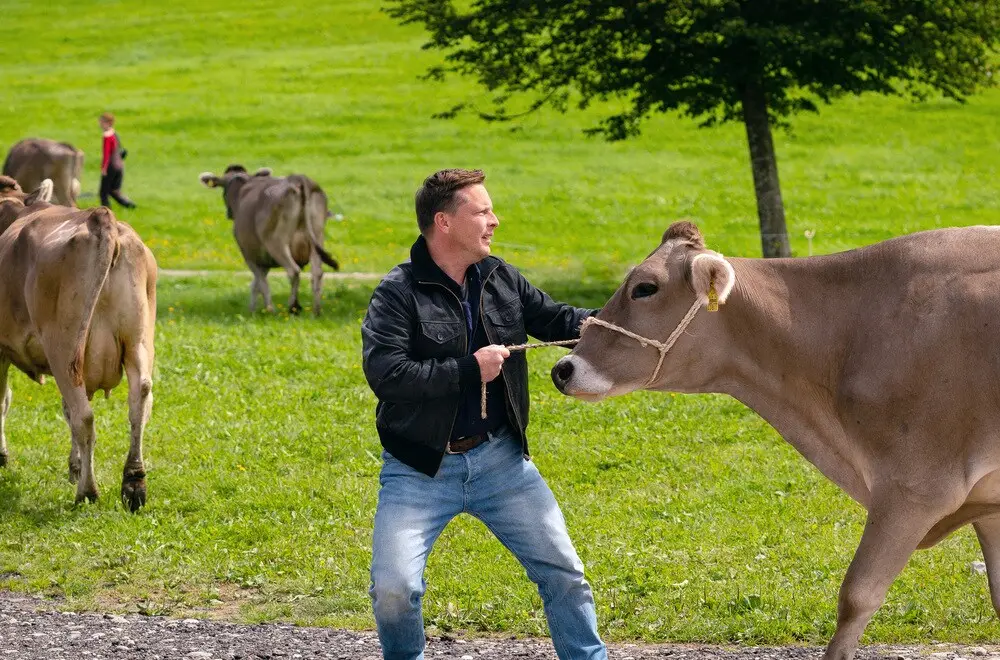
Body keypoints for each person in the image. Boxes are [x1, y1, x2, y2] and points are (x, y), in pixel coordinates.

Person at [361, 168, 607, 660]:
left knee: (565, 573)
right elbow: (387, 375)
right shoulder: (397, 293)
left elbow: (555, 319)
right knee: (394, 591)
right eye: (483, 211)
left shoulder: (501, 278)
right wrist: (468, 370)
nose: (495, 220)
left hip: (502, 465)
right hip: (418, 471)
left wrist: (616, 322)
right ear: (444, 222)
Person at [98, 112, 136, 209]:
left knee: (103, 193)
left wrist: (104, 168)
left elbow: (106, 154)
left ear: (107, 123)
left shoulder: (107, 136)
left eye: (101, 122)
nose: (99, 124)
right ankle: (130, 205)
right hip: (119, 165)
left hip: (111, 166)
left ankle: (106, 214)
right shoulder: (114, 133)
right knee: (114, 191)